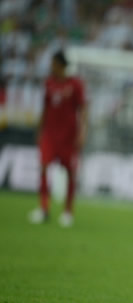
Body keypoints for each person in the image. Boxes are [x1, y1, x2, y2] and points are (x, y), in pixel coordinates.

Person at [29, 50, 88, 227]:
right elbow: (45, 108)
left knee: (70, 172)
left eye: (53, 63)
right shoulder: (48, 83)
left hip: (68, 136)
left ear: (61, 65)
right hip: (50, 134)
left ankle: (68, 211)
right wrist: (40, 130)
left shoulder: (75, 84)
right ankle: (44, 208)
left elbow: (83, 108)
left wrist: (83, 131)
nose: (51, 66)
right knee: (43, 167)